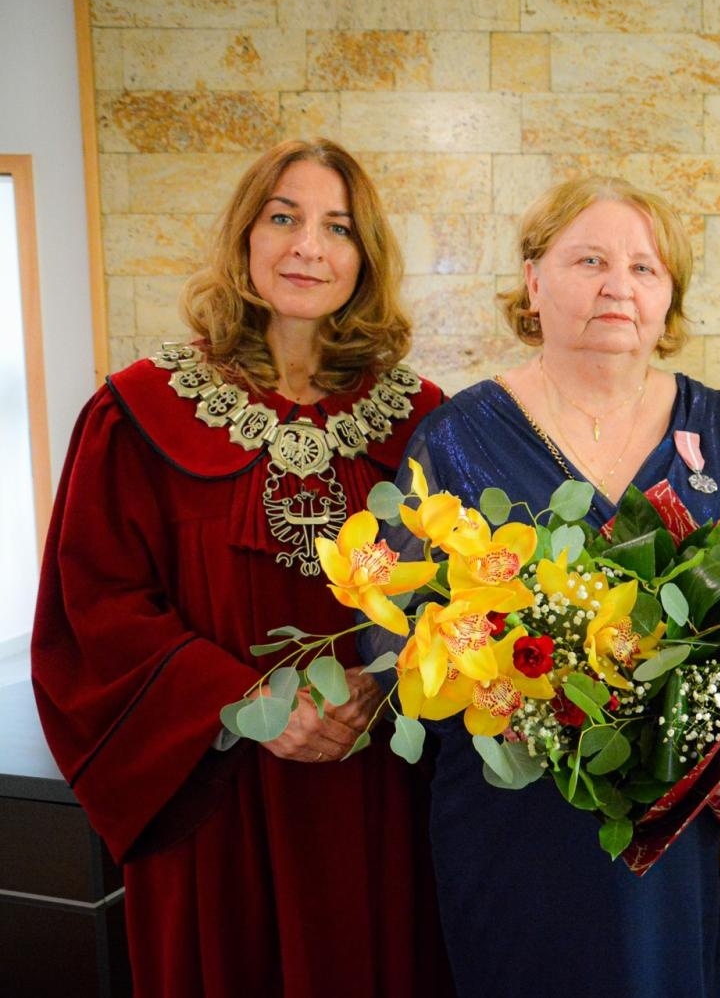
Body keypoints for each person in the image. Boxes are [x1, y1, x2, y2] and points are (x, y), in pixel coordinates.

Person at [31, 138, 452, 996]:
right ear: (244, 238)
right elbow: (94, 606)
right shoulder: (136, 411)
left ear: (364, 258)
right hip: (215, 793)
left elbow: (453, 593)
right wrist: (249, 702)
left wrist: (387, 683)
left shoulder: (423, 418)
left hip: (371, 793)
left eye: (338, 228)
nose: (308, 247)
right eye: (284, 218)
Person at [383, 176, 720, 997]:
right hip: (516, 814)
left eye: (646, 267)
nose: (620, 285)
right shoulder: (457, 436)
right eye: (590, 260)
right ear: (535, 281)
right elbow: (401, 627)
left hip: (676, 823)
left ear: (669, 294)